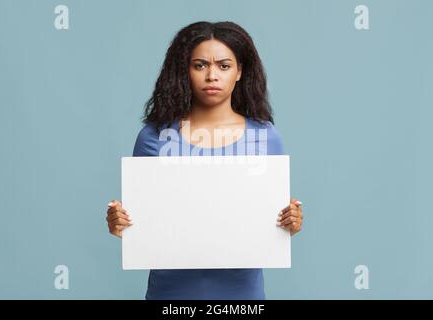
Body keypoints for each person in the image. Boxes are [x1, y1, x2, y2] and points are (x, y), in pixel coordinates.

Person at [105, 21, 304, 300]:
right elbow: (145, 222)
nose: (212, 75)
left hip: (241, 296)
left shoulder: (266, 137)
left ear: (240, 72)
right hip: (170, 295)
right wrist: (121, 224)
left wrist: (290, 223)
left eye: (224, 66)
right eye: (200, 65)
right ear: (184, 71)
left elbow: (268, 223)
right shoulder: (154, 137)